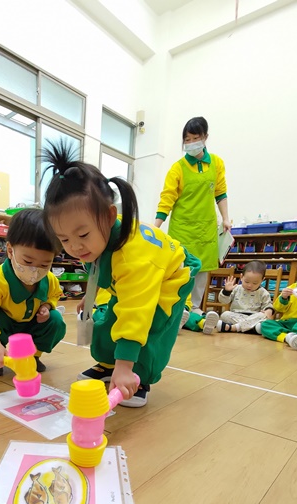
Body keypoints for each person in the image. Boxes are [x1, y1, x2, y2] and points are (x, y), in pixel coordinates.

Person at [42, 140, 200, 408]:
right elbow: (98, 267)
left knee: (147, 326)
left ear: (109, 216)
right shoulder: (97, 241)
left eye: (82, 235)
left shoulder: (132, 258)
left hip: (170, 276)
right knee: (109, 317)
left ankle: (138, 376)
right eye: (64, 239)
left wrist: (125, 367)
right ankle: (108, 364)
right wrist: (91, 295)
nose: (75, 247)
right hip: (131, 278)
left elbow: (136, 313)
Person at [0, 208, 66, 375]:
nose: (35, 270)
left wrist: (47, 306)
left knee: (55, 320)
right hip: (4, 324)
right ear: (10, 251)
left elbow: (54, 294)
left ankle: (32, 356)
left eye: (44, 264)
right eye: (28, 261)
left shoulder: (50, 280)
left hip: (30, 323)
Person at [154, 116, 231, 313]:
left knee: (202, 270)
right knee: (182, 269)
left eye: (195, 138)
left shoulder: (216, 163)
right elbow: (167, 198)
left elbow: (220, 193)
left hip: (206, 227)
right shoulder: (177, 168)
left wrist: (226, 218)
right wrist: (156, 227)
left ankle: (194, 308)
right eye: (187, 140)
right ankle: (180, 308)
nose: (191, 143)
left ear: (205, 137)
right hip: (183, 228)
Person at [204, 261, 274, 333]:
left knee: (263, 316)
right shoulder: (236, 288)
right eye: (246, 282)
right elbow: (223, 301)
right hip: (237, 315)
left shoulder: (263, 293)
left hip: (253, 316)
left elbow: (268, 305)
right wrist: (226, 291)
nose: (249, 285)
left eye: (255, 283)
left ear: (262, 280)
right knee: (225, 314)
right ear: (241, 277)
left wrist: (268, 310)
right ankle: (252, 329)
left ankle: (233, 328)